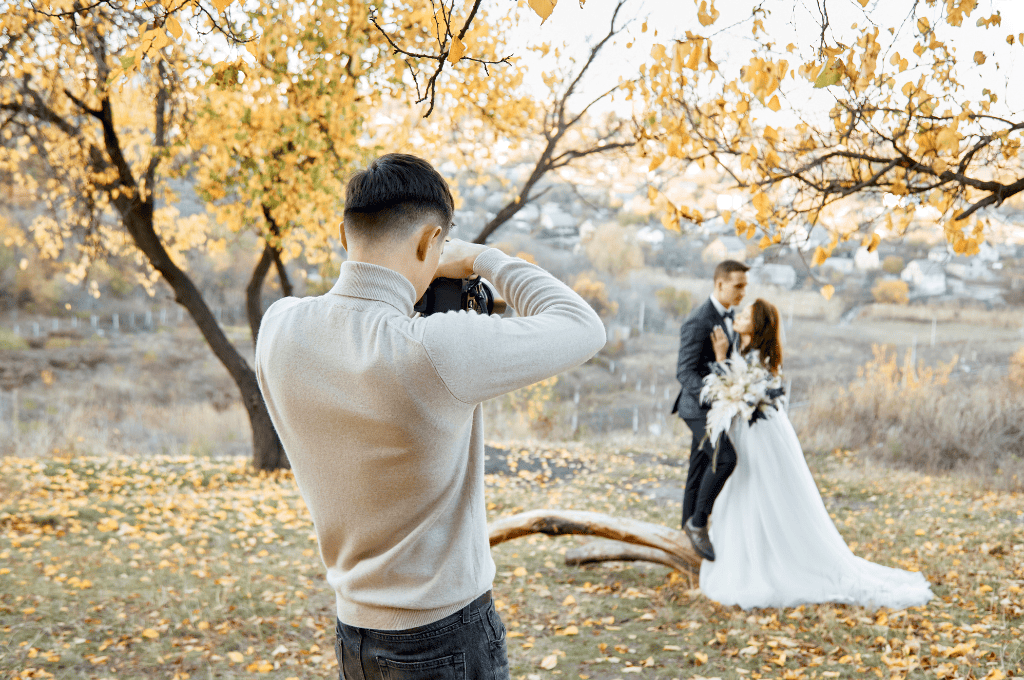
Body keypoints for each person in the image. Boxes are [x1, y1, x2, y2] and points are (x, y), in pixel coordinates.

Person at [254, 154, 606, 680]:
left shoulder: (278, 328)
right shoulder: (435, 349)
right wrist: (484, 258)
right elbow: (583, 326)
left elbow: (354, 317)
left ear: (343, 235)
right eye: (438, 246)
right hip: (446, 633)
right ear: (430, 242)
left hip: (355, 636)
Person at [698, 298, 934, 610]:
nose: (738, 316)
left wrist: (719, 358)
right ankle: (749, 555)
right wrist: (723, 357)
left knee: (763, 490)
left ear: (757, 325)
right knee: (744, 490)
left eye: (746, 314)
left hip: (761, 433)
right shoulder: (742, 351)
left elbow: (741, 389)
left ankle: (772, 562)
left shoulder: (760, 357)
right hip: (747, 431)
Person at [671, 260, 749, 561]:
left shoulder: (729, 316)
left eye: (745, 286)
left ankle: (684, 535)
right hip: (697, 409)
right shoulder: (698, 320)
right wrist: (716, 393)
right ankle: (699, 523)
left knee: (699, 468)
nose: (743, 292)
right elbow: (684, 372)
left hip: (717, 408)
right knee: (725, 458)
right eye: (738, 286)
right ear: (720, 284)